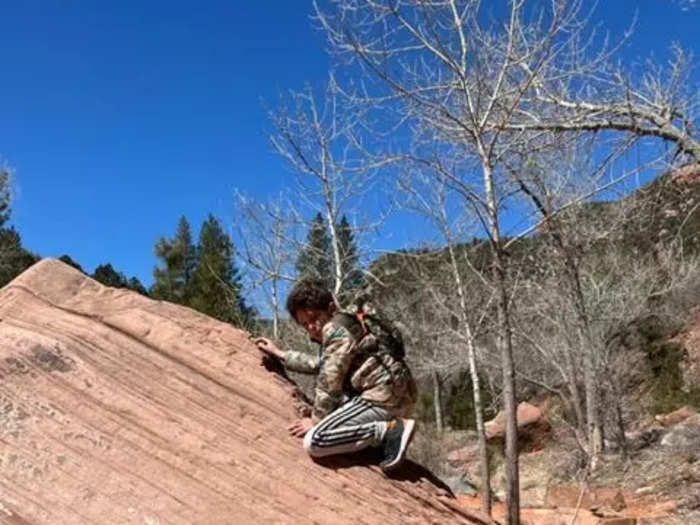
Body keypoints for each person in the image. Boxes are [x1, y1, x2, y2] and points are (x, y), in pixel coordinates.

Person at [254, 279, 417, 472]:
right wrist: (281, 354)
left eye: (314, 318)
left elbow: (329, 381)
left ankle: (388, 431)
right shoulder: (348, 323)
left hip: (380, 399)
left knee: (315, 440)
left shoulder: (335, 329)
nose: (312, 327)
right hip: (399, 396)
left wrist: (315, 421)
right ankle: (384, 435)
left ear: (330, 308)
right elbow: (321, 364)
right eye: (305, 324)